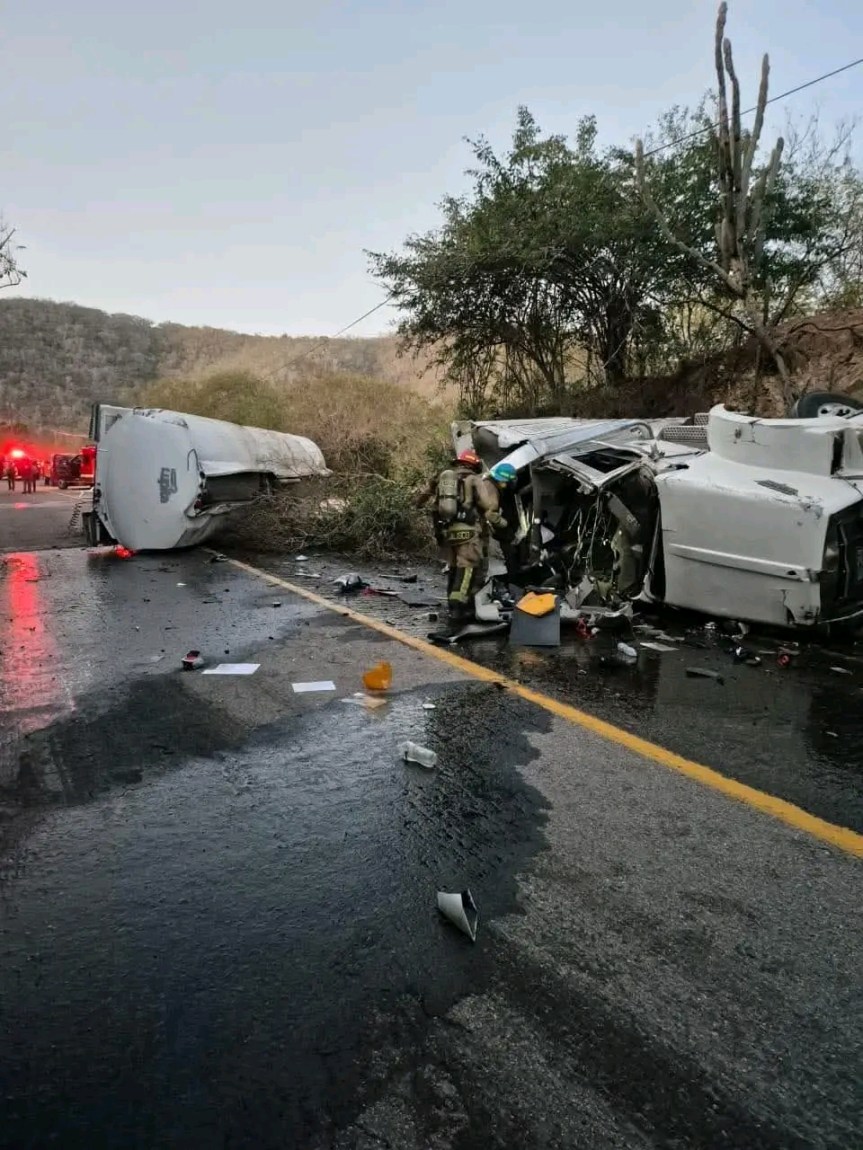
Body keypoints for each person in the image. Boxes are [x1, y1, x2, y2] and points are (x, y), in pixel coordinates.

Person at [436, 457, 518, 626]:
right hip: (469, 531)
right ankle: (461, 608)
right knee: (467, 569)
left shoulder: (447, 481)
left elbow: (429, 505)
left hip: (450, 531)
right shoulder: (478, 482)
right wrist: (505, 525)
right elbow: (489, 511)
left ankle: (452, 605)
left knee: (454, 568)